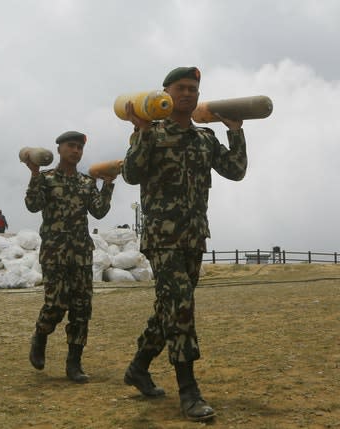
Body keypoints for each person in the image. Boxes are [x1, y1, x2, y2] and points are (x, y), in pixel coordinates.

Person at [120, 66, 247, 421]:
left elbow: (235, 170)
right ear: (166, 93)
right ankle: (189, 391)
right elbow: (132, 174)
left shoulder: (205, 138)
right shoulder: (152, 131)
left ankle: (139, 366)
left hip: (194, 236)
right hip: (163, 237)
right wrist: (142, 131)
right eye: (181, 88)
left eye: (193, 89)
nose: (188, 94)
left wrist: (235, 132)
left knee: (170, 308)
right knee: (181, 307)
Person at [25, 131, 115, 383]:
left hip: (81, 254)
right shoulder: (46, 178)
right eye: (71, 146)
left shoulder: (86, 183)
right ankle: (40, 335)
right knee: (56, 304)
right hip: (55, 252)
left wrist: (107, 184)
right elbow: (32, 205)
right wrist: (33, 174)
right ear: (60, 149)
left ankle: (74, 364)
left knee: (81, 309)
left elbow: (99, 211)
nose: (75, 151)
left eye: (79, 147)